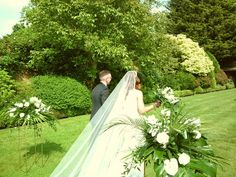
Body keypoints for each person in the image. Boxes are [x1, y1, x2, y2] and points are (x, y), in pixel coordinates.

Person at [50, 71, 160, 177]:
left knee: (120, 151)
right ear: (135, 83)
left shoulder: (121, 94)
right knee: (134, 149)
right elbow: (141, 110)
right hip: (133, 124)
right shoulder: (137, 93)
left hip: (122, 123)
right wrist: (154, 105)